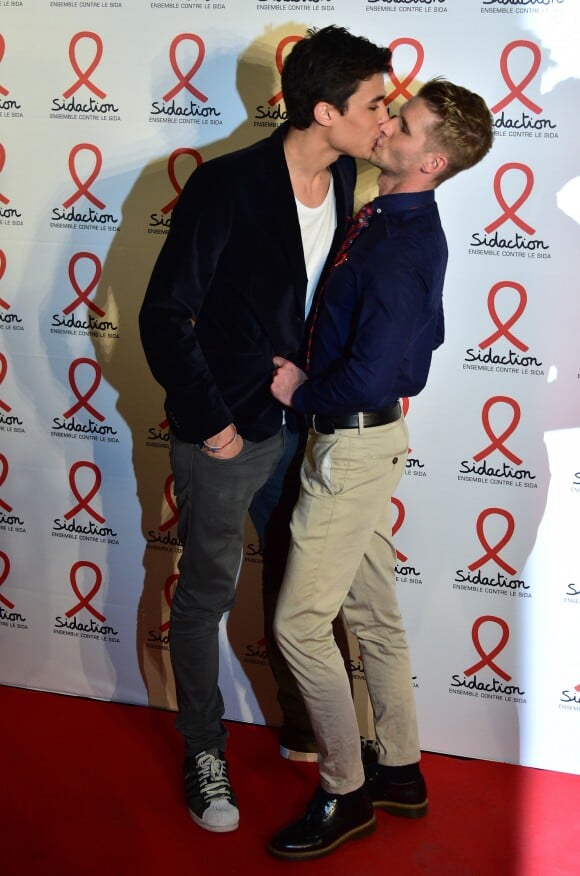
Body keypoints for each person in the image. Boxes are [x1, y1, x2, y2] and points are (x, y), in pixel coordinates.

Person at [139, 26, 392, 834]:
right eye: (374, 104)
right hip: (227, 434)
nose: (385, 118)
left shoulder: (349, 173)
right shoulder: (227, 186)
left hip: (304, 428)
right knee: (206, 594)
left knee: (301, 587)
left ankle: (303, 726)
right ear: (325, 110)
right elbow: (162, 316)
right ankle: (204, 749)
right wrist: (210, 422)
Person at [267, 78, 494, 860]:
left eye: (405, 123)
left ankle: (344, 788)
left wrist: (302, 388)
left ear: (429, 159)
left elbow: (382, 373)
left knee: (298, 623)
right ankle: (399, 770)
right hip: (363, 444)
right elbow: (422, 342)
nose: (388, 124)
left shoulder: (402, 243)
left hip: (351, 444)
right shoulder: (390, 217)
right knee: (373, 615)